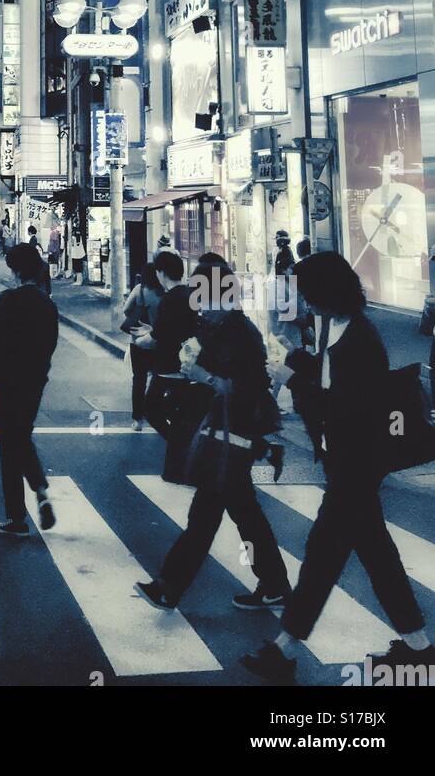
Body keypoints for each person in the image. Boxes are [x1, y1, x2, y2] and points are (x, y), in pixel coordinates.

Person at [243, 253, 435, 683]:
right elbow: (326, 378)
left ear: (329, 294)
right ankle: (420, 649)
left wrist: (292, 381)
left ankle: (284, 649)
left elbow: (350, 409)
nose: (305, 303)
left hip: (356, 464)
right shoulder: (333, 326)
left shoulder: (362, 342)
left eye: (310, 295)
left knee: (321, 558)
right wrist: (295, 362)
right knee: (374, 557)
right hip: (343, 462)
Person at [135, 257, 291, 615]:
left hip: (231, 436)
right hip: (223, 434)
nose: (195, 298)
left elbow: (251, 385)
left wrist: (204, 376)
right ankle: (274, 584)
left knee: (207, 517)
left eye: (199, 291)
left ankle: (169, 587)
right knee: (243, 512)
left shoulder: (238, 332)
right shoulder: (218, 327)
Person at [0, 243, 59, 537]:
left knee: (9, 446)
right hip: (34, 383)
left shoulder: (10, 300)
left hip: (7, 382)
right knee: (21, 436)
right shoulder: (47, 304)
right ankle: (41, 490)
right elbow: (49, 345)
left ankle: (17, 517)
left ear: (18, 270)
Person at [137, 249, 195, 439]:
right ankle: (182, 439)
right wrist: (151, 331)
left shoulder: (168, 300)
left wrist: (141, 339)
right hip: (188, 365)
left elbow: (158, 338)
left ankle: (177, 440)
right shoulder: (189, 294)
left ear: (161, 273)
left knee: (151, 408)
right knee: (177, 409)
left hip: (168, 365)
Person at [121, 263, 164, 431]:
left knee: (138, 380)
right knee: (158, 378)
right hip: (157, 341)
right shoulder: (163, 293)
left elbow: (126, 310)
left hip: (137, 341)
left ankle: (137, 419)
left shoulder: (139, 290)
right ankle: (155, 411)